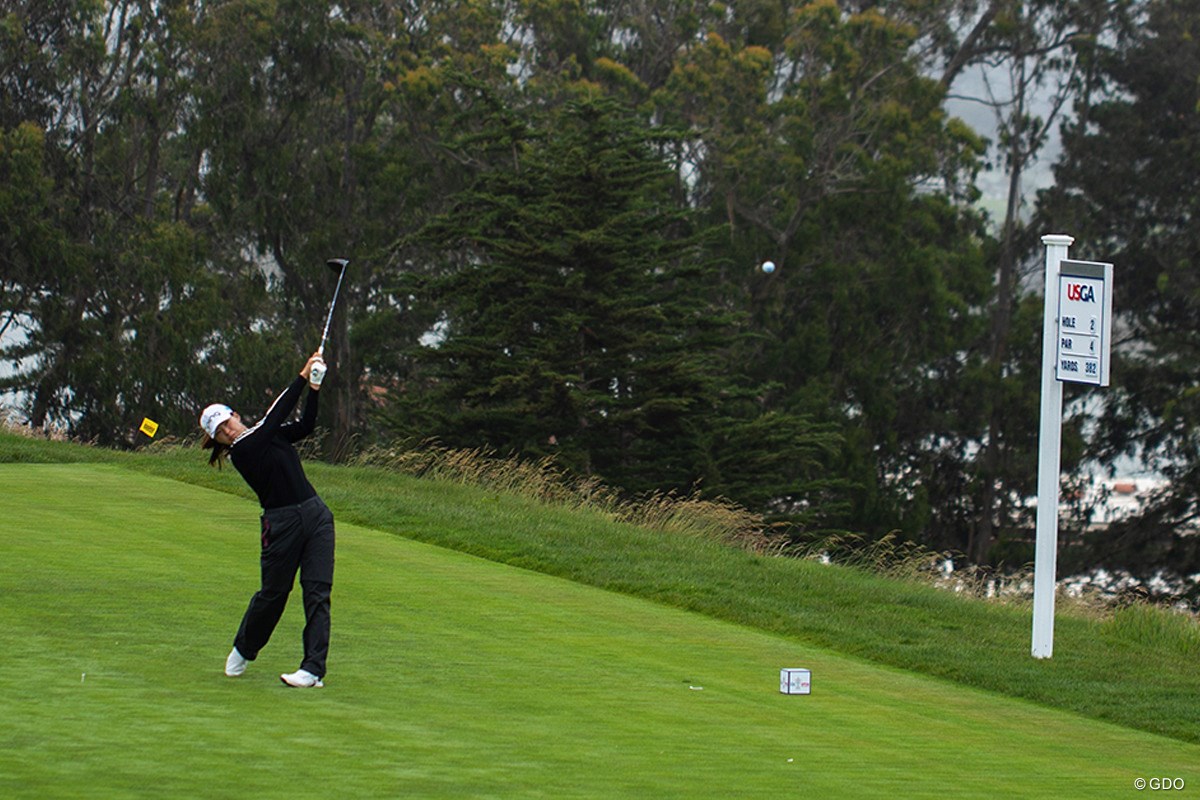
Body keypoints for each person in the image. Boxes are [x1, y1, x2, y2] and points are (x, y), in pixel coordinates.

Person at [199, 351, 334, 688]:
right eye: (219, 432)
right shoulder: (242, 452)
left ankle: (313, 669)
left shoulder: (263, 434)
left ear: (235, 415)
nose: (227, 432)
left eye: (226, 423)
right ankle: (244, 648)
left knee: (317, 593)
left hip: (316, 516)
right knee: (274, 594)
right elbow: (275, 417)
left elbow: (305, 426)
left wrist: (314, 388)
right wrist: (302, 376)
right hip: (282, 524)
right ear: (216, 440)